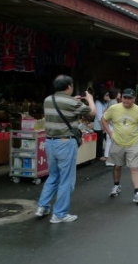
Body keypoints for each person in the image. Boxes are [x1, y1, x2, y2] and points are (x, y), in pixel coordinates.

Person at [35, 74, 95, 223]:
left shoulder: (48, 100)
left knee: (53, 176)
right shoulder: (71, 102)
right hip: (65, 143)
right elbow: (92, 113)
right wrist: (90, 99)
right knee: (66, 179)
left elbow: (63, 108)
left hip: (50, 142)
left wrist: (72, 101)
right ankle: (59, 214)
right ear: (69, 86)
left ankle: (42, 207)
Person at [101, 88, 138, 205]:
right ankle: (116, 185)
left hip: (133, 143)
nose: (127, 100)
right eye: (125, 98)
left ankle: (137, 192)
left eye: (130, 98)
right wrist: (110, 133)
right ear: (121, 97)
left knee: (134, 168)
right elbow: (103, 119)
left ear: (134, 99)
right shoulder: (114, 108)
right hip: (117, 142)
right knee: (117, 166)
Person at [102, 88, 120, 166]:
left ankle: (107, 157)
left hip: (109, 124)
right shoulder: (115, 103)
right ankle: (110, 161)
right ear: (116, 94)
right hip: (113, 125)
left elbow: (105, 112)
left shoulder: (110, 102)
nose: (120, 94)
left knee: (109, 142)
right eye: (119, 93)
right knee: (113, 142)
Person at [94, 88, 110, 161]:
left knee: (106, 139)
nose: (107, 96)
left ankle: (104, 153)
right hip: (99, 125)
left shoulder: (105, 102)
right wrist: (102, 126)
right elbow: (99, 116)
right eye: (106, 95)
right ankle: (99, 156)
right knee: (99, 141)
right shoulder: (98, 103)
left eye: (108, 95)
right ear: (102, 96)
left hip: (104, 124)